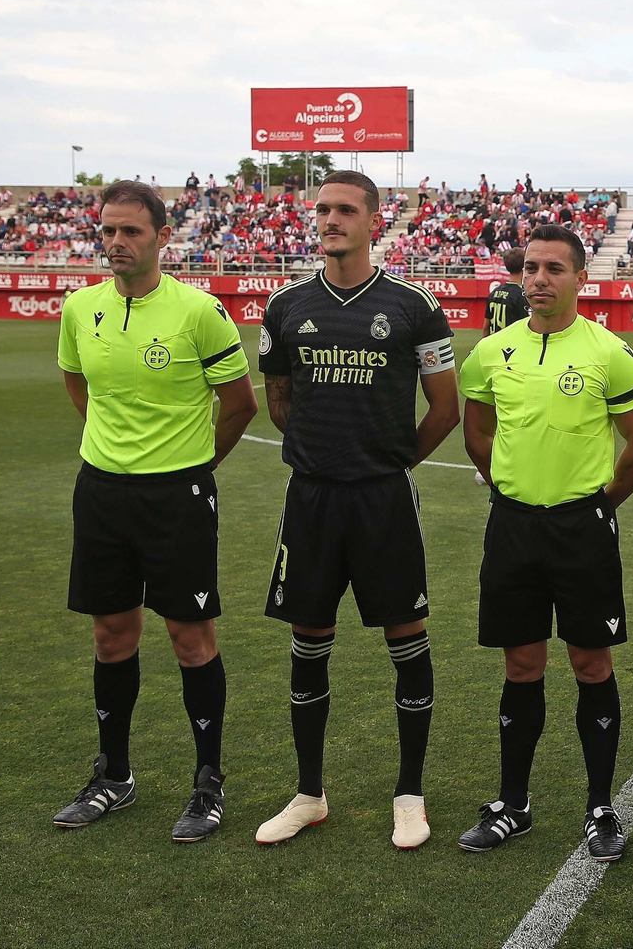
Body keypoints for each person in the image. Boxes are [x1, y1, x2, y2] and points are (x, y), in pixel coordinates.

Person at [252, 171, 461, 849]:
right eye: (323, 209)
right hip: (311, 499)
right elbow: (279, 398)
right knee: (309, 641)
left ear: (375, 219)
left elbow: (446, 407)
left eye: (345, 209)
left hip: (383, 500)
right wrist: (321, 450)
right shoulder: (285, 305)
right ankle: (309, 794)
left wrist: (391, 461)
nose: (330, 219)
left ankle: (410, 793)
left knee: (407, 638)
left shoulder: (414, 306)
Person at [51, 180, 258, 840]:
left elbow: (240, 404)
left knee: (189, 637)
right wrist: (115, 448)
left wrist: (191, 465)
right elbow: (77, 380)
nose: (117, 242)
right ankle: (114, 775)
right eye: (108, 230)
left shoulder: (199, 312)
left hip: (179, 495)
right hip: (103, 492)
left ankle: (208, 782)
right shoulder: (80, 307)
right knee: (112, 634)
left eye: (131, 231)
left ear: (163, 237)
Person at [456, 224, 633, 861]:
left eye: (554, 269)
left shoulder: (610, 353)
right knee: (522, 666)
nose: (539, 280)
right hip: (513, 527)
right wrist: (510, 491)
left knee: (591, 664)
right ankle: (512, 805)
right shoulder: (492, 352)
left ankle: (600, 807)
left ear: (579, 279)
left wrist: (597, 507)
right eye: (532, 268)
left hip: (582, 529)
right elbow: (477, 436)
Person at [484, 249, 530, 336]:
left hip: (494, 343)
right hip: (511, 345)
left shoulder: (494, 292)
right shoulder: (521, 295)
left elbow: (486, 327)